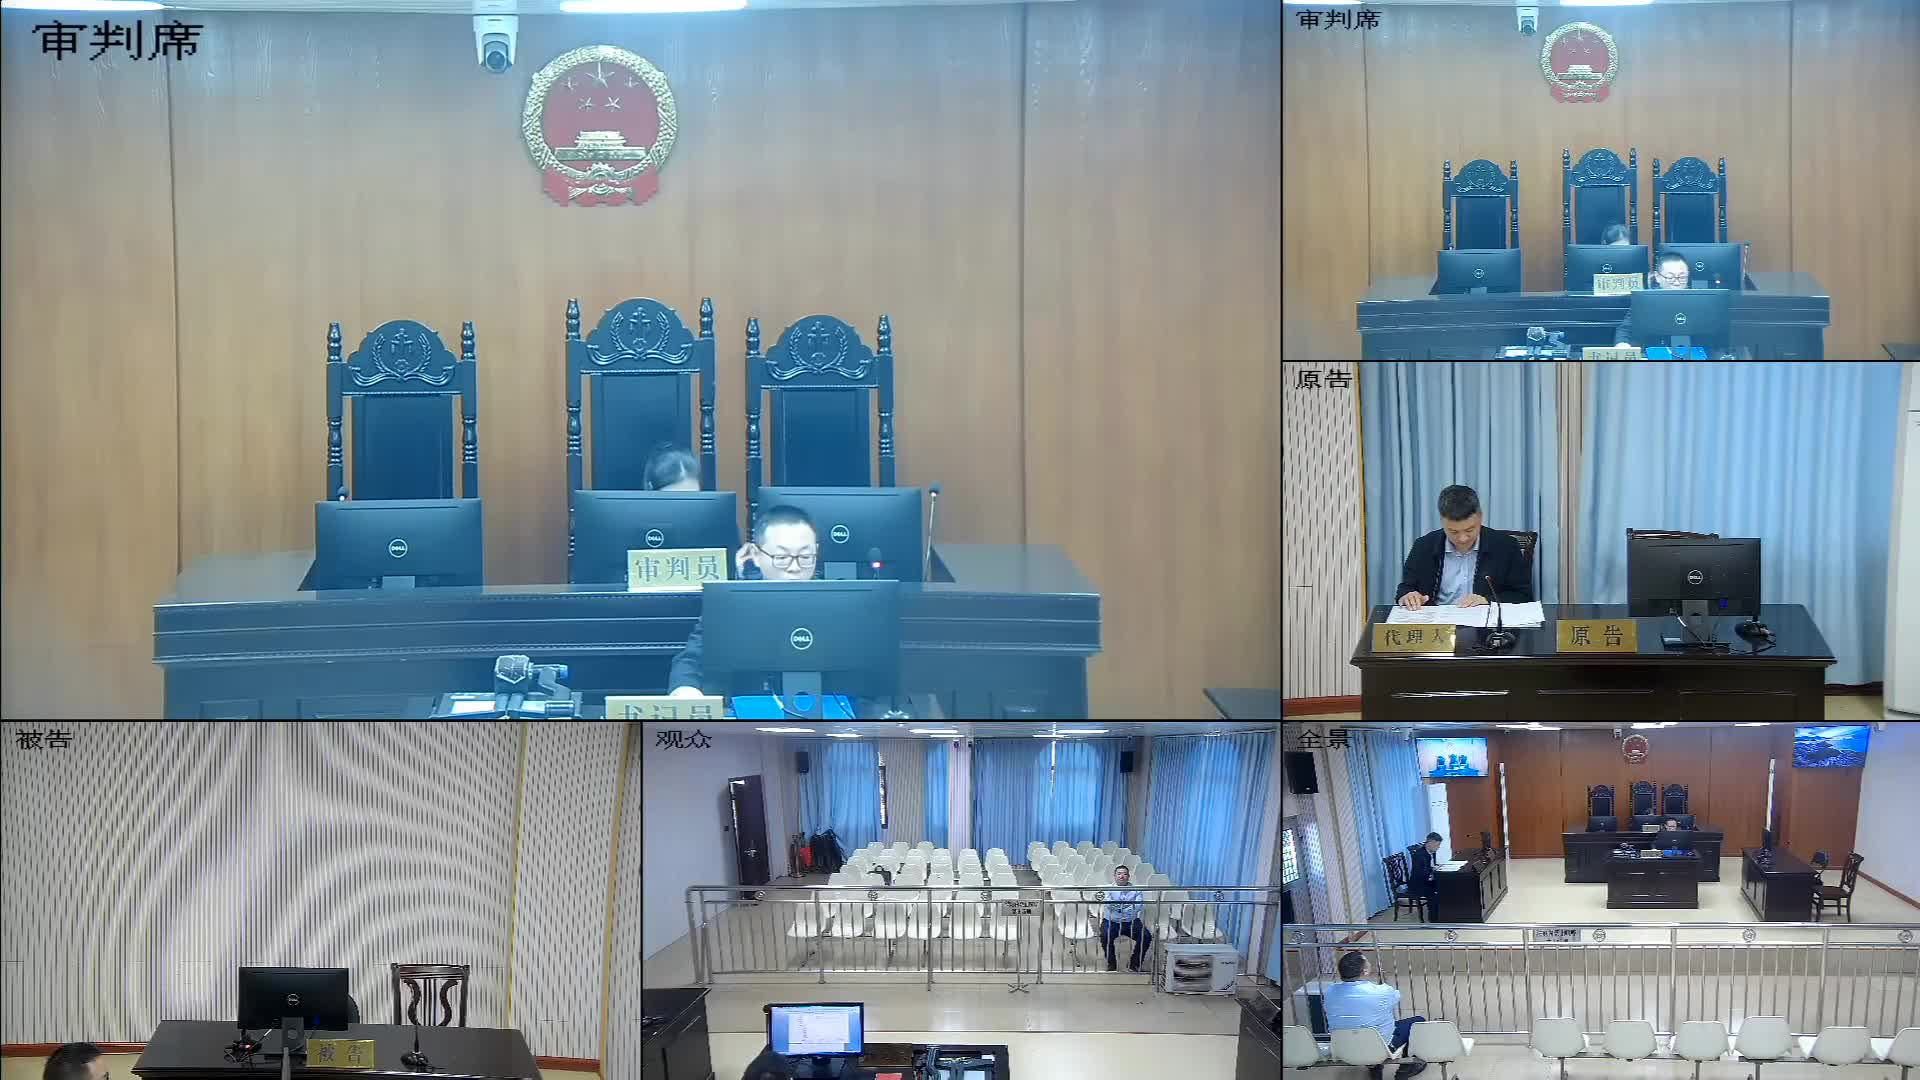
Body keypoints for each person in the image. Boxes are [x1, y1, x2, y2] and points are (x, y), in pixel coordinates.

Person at [668, 505, 820, 697]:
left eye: (805, 556)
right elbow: (691, 661)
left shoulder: (841, 601)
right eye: (781, 557)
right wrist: (685, 690)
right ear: (756, 555)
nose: (795, 567)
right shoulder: (731, 602)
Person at [1395, 485, 1534, 610]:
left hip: (1484, 624)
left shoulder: (1506, 546)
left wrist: (1487, 600)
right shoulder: (1423, 546)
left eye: (1469, 530)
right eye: (1453, 532)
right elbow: (1405, 588)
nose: (1462, 538)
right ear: (1442, 521)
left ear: (1480, 517)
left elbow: (1523, 596)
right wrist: (1409, 596)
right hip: (1438, 624)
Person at [1323, 952, 1429, 1079]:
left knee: (1368, 1028)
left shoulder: (1330, 992)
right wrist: (1383, 983)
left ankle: (1374, 1068)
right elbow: (1396, 996)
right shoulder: (1381, 991)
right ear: (1365, 971)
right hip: (1380, 1048)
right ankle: (1405, 1069)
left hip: (1343, 1048)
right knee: (1418, 1022)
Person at [1612, 252, 1691, 347]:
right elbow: (1625, 330)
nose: (1677, 283)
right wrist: (1622, 344)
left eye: (1682, 277)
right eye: (1670, 277)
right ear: (1657, 277)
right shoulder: (1645, 300)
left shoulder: (1700, 300)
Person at [1099, 865, 1152, 972]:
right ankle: (1111, 963)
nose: (1122, 876)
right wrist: (1127, 906)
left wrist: (1119, 907)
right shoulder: (1108, 889)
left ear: (1128, 876)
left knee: (1146, 936)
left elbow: (1138, 906)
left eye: (1124, 874)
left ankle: (1135, 963)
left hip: (1131, 921)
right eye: (1119, 874)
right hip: (1111, 921)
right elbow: (1109, 905)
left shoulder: (1136, 890)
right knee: (1105, 936)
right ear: (1114, 876)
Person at [1406, 832, 1441, 922]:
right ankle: (1434, 919)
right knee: (1435, 893)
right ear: (1430, 843)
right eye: (1437, 845)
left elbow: (1429, 867)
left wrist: (1434, 869)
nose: (1439, 847)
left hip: (1426, 880)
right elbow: (1421, 874)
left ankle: (1442, 912)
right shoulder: (1420, 855)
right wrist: (1434, 872)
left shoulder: (1429, 851)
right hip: (1419, 884)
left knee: (1444, 886)